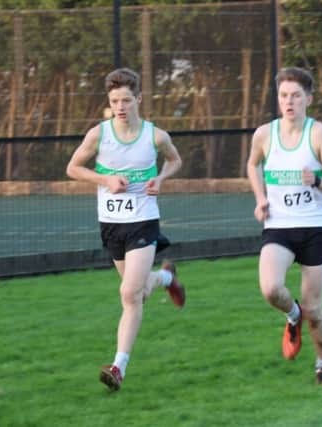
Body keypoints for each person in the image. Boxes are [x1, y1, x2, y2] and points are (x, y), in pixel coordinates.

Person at [66, 67, 185, 392]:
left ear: (139, 99)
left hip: (143, 222)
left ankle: (118, 367)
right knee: (141, 291)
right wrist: (105, 180)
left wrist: (160, 179)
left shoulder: (155, 136)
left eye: (126, 100)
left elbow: (175, 160)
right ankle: (167, 278)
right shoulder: (99, 135)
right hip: (111, 225)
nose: (120, 106)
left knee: (129, 294)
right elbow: (73, 167)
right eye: (115, 100)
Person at [246, 67, 322, 385]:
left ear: (308, 99)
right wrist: (260, 198)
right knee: (271, 289)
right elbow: (252, 164)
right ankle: (293, 315)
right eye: (284, 95)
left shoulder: (319, 134)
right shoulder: (264, 134)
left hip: (315, 226)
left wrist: (316, 180)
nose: (289, 102)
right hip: (279, 226)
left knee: (316, 309)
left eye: (296, 96)